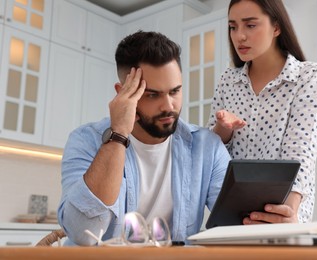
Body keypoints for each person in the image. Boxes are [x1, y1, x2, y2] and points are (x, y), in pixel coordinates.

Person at [58, 31, 231, 246]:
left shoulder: (208, 148)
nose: (169, 106)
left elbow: (232, 224)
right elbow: (84, 232)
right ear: (124, 93)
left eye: (175, 91)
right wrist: (118, 134)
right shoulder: (85, 141)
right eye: (152, 95)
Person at [207, 0, 317, 223]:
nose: (239, 36)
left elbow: (302, 150)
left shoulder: (309, 77)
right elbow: (210, 152)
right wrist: (222, 128)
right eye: (233, 27)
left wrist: (288, 211)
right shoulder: (228, 81)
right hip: (233, 216)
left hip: (284, 214)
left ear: (276, 27)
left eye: (250, 25)